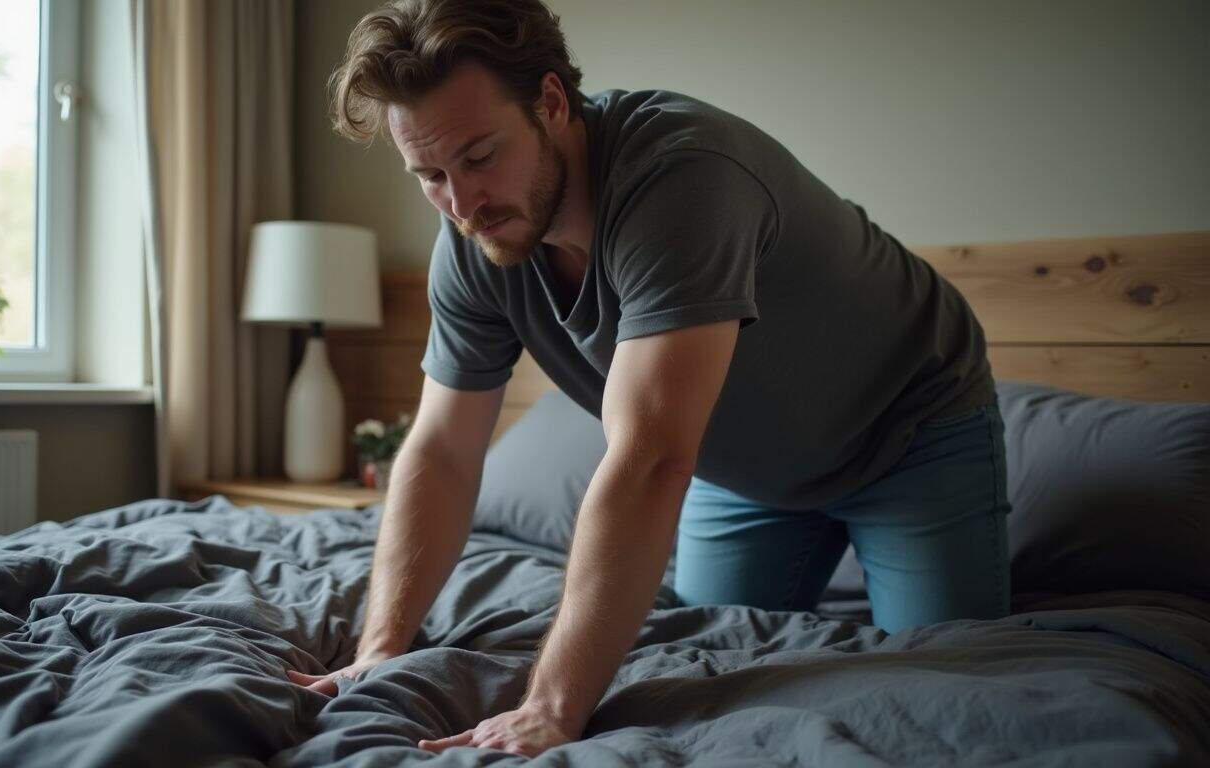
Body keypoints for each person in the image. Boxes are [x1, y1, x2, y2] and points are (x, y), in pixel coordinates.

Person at [282, 0, 1011, 757]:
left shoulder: (682, 178)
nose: (461, 204)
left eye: (478, 156)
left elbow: (653, 456)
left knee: (949, 687)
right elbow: (440, 450)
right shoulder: (473, 239)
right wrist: (380, 649)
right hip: (746, 473)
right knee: (707, 662)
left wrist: (552, 708)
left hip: (911, 431)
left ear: (553, 103)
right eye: (428, 175)